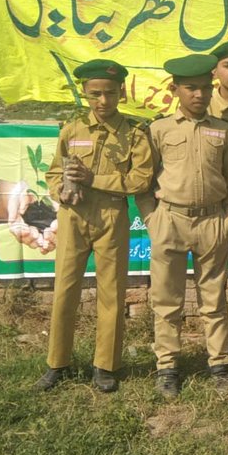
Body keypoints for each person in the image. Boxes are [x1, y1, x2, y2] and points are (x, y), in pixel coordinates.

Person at [34, 59, 154, 392]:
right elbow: (55, 171)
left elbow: (140, 179)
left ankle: (106, 366)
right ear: (85, 93)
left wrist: (94, 179)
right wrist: (61, 189)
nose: (103, 101)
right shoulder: (73, 129)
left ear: (121, 92)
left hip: (111, 218)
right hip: (73, 218)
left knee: (111, 293)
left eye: (110, 94)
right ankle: (57, 363)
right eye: (95, 94)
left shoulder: (135, 133)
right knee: (65, 290)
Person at [138, 53, 228, 397]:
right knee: (166, 300)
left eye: (203, 88)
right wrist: (153, 220)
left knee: (213, 299)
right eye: (190, 89)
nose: (198, 95)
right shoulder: (159, 130)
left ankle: (219, 363)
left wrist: (227, 221)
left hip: (212, 221)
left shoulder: (223, 131)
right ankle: (167, 366)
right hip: (170, 220)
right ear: (176, 90)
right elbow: (143, 182)